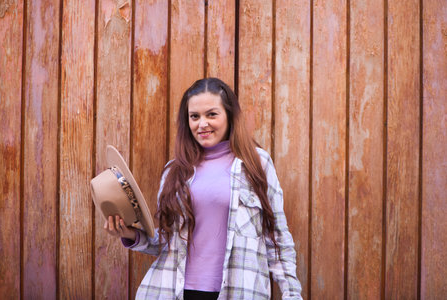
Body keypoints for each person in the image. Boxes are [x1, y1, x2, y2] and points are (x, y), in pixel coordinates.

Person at [104, 77, 303, 299]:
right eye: (194, 116)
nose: (202, 124)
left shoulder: (258, 164)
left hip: (238, 291)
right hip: (176, 291)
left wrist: (291, 294)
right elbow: (167, 242)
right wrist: (130, 234)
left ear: (229, 116)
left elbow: (277, 236)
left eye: (212, 114)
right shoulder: (174, 171)